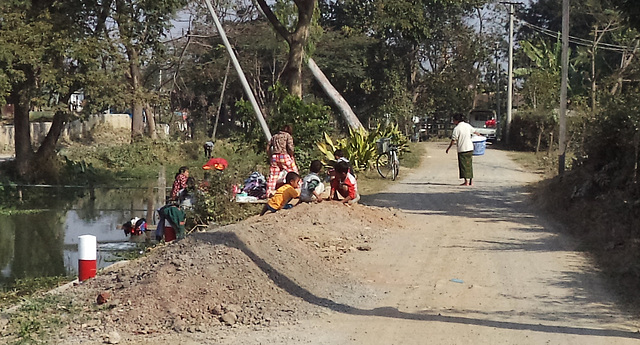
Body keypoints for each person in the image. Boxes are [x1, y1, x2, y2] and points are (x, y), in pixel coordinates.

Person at [266, 125, 298, 197]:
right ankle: (298, 188)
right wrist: (291, 155)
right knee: (293, 171)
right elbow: (290, 148)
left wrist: (270, 156)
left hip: (275, 156)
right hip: (284, 155)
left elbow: (268, 148)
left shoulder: (274, 136)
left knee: (273, 176)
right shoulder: (287, 136)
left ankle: (269, 192)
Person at [446, 113, 476, 186]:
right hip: (470, 148)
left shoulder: (457, 128)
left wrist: (448, 148)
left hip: (462, 149)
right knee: (469, 164)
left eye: (454, 120)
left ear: (457, 120)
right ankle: (471, 181)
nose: (453, 121)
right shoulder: (467, 125)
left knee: (463, 165)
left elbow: (454, 139)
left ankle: (466, 181)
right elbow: (475, 132)